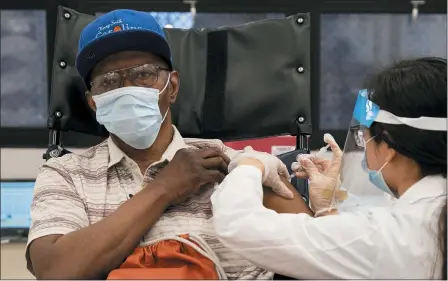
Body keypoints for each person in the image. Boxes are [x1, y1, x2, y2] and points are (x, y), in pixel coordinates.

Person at [26, 9, 311, 279]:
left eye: (144, 74)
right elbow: (54, 271)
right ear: (93, 103)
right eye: (109, 81)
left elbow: (314, 247)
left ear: (172, 87)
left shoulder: (229, 161)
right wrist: (166, 187)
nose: (127, 89)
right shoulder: (65, 174)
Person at [211, 57, 447, 279]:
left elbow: (239, 225)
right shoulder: (429, 214)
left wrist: (249, 165)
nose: (365, 149)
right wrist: (328, 208)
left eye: (366, 139)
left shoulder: (394, 236)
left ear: (388, 147)